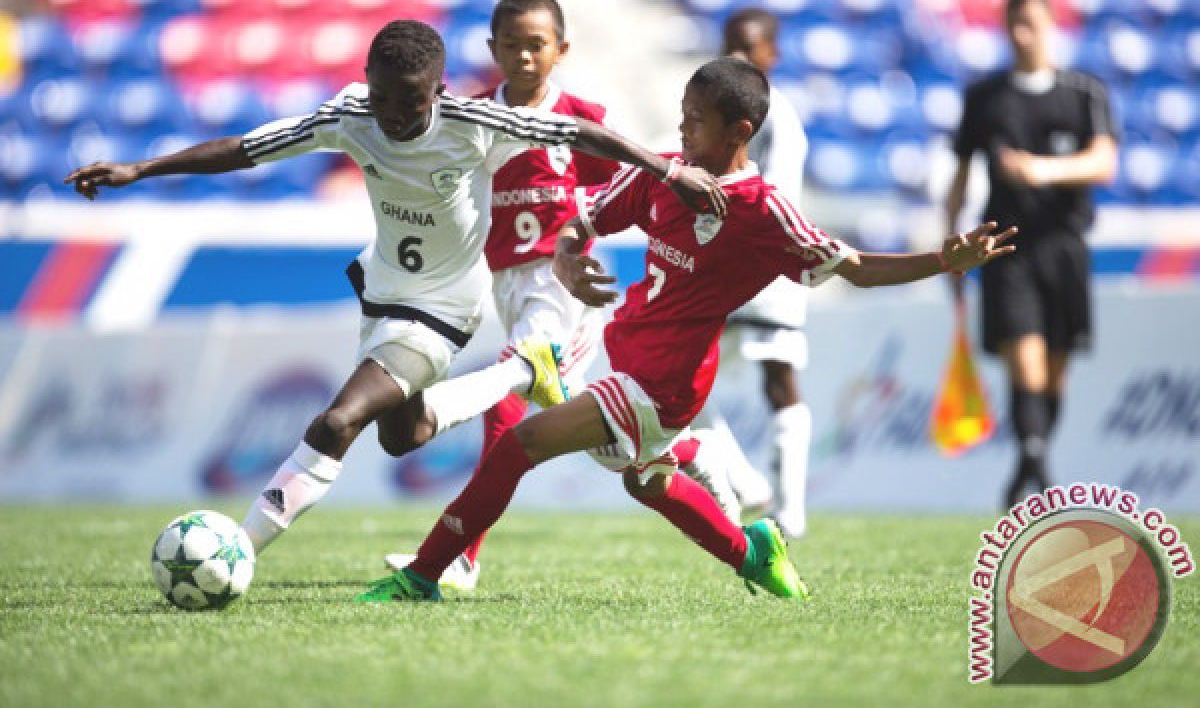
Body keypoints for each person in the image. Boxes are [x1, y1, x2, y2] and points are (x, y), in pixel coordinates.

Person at [357, 56, 1017, 603]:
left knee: (516, 445)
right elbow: (586, 219)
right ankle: (751, 550)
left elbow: (859, 268)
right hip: (627, 359)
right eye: (682, 114)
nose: (682, 128)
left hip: (664, 384)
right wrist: (569, 258)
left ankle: (426, 574)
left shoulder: (766, 215)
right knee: (645, 481)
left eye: (696, 121)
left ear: (740, 130)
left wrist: (944, 260)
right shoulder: (667, 174)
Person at [65, 19, 729, 559]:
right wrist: (140, 167)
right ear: (366, 84)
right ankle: (517, 377)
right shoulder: (351, 115)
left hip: (443, 309)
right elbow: (246, 148)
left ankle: (237, 549)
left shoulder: (476, 123)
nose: (395, 116)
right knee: (401, 434)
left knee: (337, 420)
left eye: (411, 102)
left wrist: (665, 173)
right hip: (382, 296)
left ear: (438, 89)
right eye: (383, 98)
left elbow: (576, 131)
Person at [381, 0, 620, 589]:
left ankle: (458, 555)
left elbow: (612, 195)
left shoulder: (580, 117)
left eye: (536, 45)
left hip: (558, 283)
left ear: (560, 49)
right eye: (510, 46)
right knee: (613, 442)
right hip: (504, 281)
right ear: (492, 49)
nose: (523, 57)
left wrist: (581, 251)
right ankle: (701, 459)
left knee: (509, 401)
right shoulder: (475, 116)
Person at [946, 0, 1118, 508]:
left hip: (1065, 245)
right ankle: (1041, 477)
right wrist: (949, 243)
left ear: (1050, 25)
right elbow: (961, 174)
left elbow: (1104, 162)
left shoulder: (1083, 92)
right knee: (1027, 361)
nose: (1023, 36)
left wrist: (1041, 171)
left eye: (1033, 25)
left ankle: (1028, 468)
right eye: (1014, 25)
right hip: (1007, 246)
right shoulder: (985, 97)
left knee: (1056, 370)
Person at [681, 7, 814, 537]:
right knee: (686, 383)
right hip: (724, 263)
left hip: (762, 265)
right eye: (730, 46)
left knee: (777, 381)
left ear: (771, 54)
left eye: (750, 48)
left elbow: (769, 193)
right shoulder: (718, 111)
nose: (738, 57)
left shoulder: (775, 113)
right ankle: (752, 485)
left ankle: (784, 505)